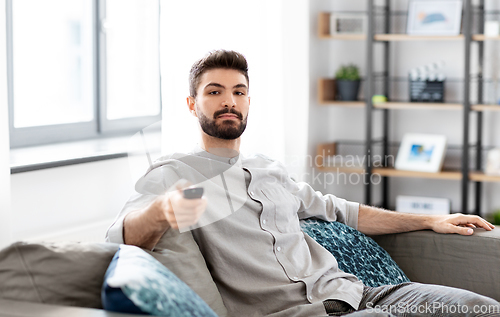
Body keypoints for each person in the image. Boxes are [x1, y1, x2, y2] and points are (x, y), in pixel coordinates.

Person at [106, 49, 500, 317]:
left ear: (248, 102)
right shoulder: (174, 172)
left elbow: (343, 212)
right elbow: (118, 238)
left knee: (479, 308)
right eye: (215, 92)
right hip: (300, 313)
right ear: (192, 105)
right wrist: (160, 213)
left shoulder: (269, 169)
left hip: (359, 294)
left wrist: (429, 220)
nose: (229, 101)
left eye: (239, 92)